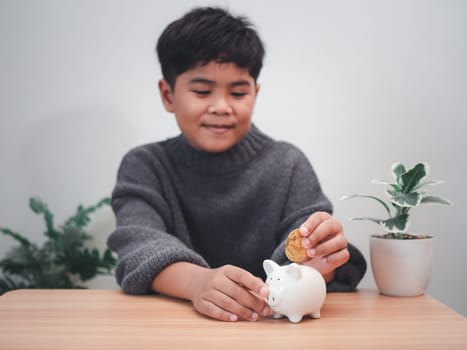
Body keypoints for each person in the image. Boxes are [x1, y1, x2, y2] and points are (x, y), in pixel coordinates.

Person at [107, 6, 366, 322]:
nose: (221, 107)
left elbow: (305, 257)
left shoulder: (288, 164)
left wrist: (319, 261)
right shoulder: (145, 166)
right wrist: (198, 283)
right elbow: (139, 246)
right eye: (202, 91)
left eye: (238, 92)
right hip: (174, 331)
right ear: (168, 94)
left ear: (255, 94)